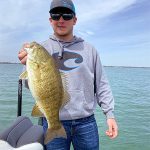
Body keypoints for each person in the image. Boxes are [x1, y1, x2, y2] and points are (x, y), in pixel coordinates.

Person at [18, 0, 118, 149]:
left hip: (86, 122)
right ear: (50, 20)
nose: (61, 20)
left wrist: (109, 114)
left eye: (66, 15)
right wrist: (27, 65)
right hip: (51, 118)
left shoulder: (90, 50)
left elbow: (101, 84)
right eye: (56, 15)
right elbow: (28, 84)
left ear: (74, 20)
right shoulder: (42, 48)